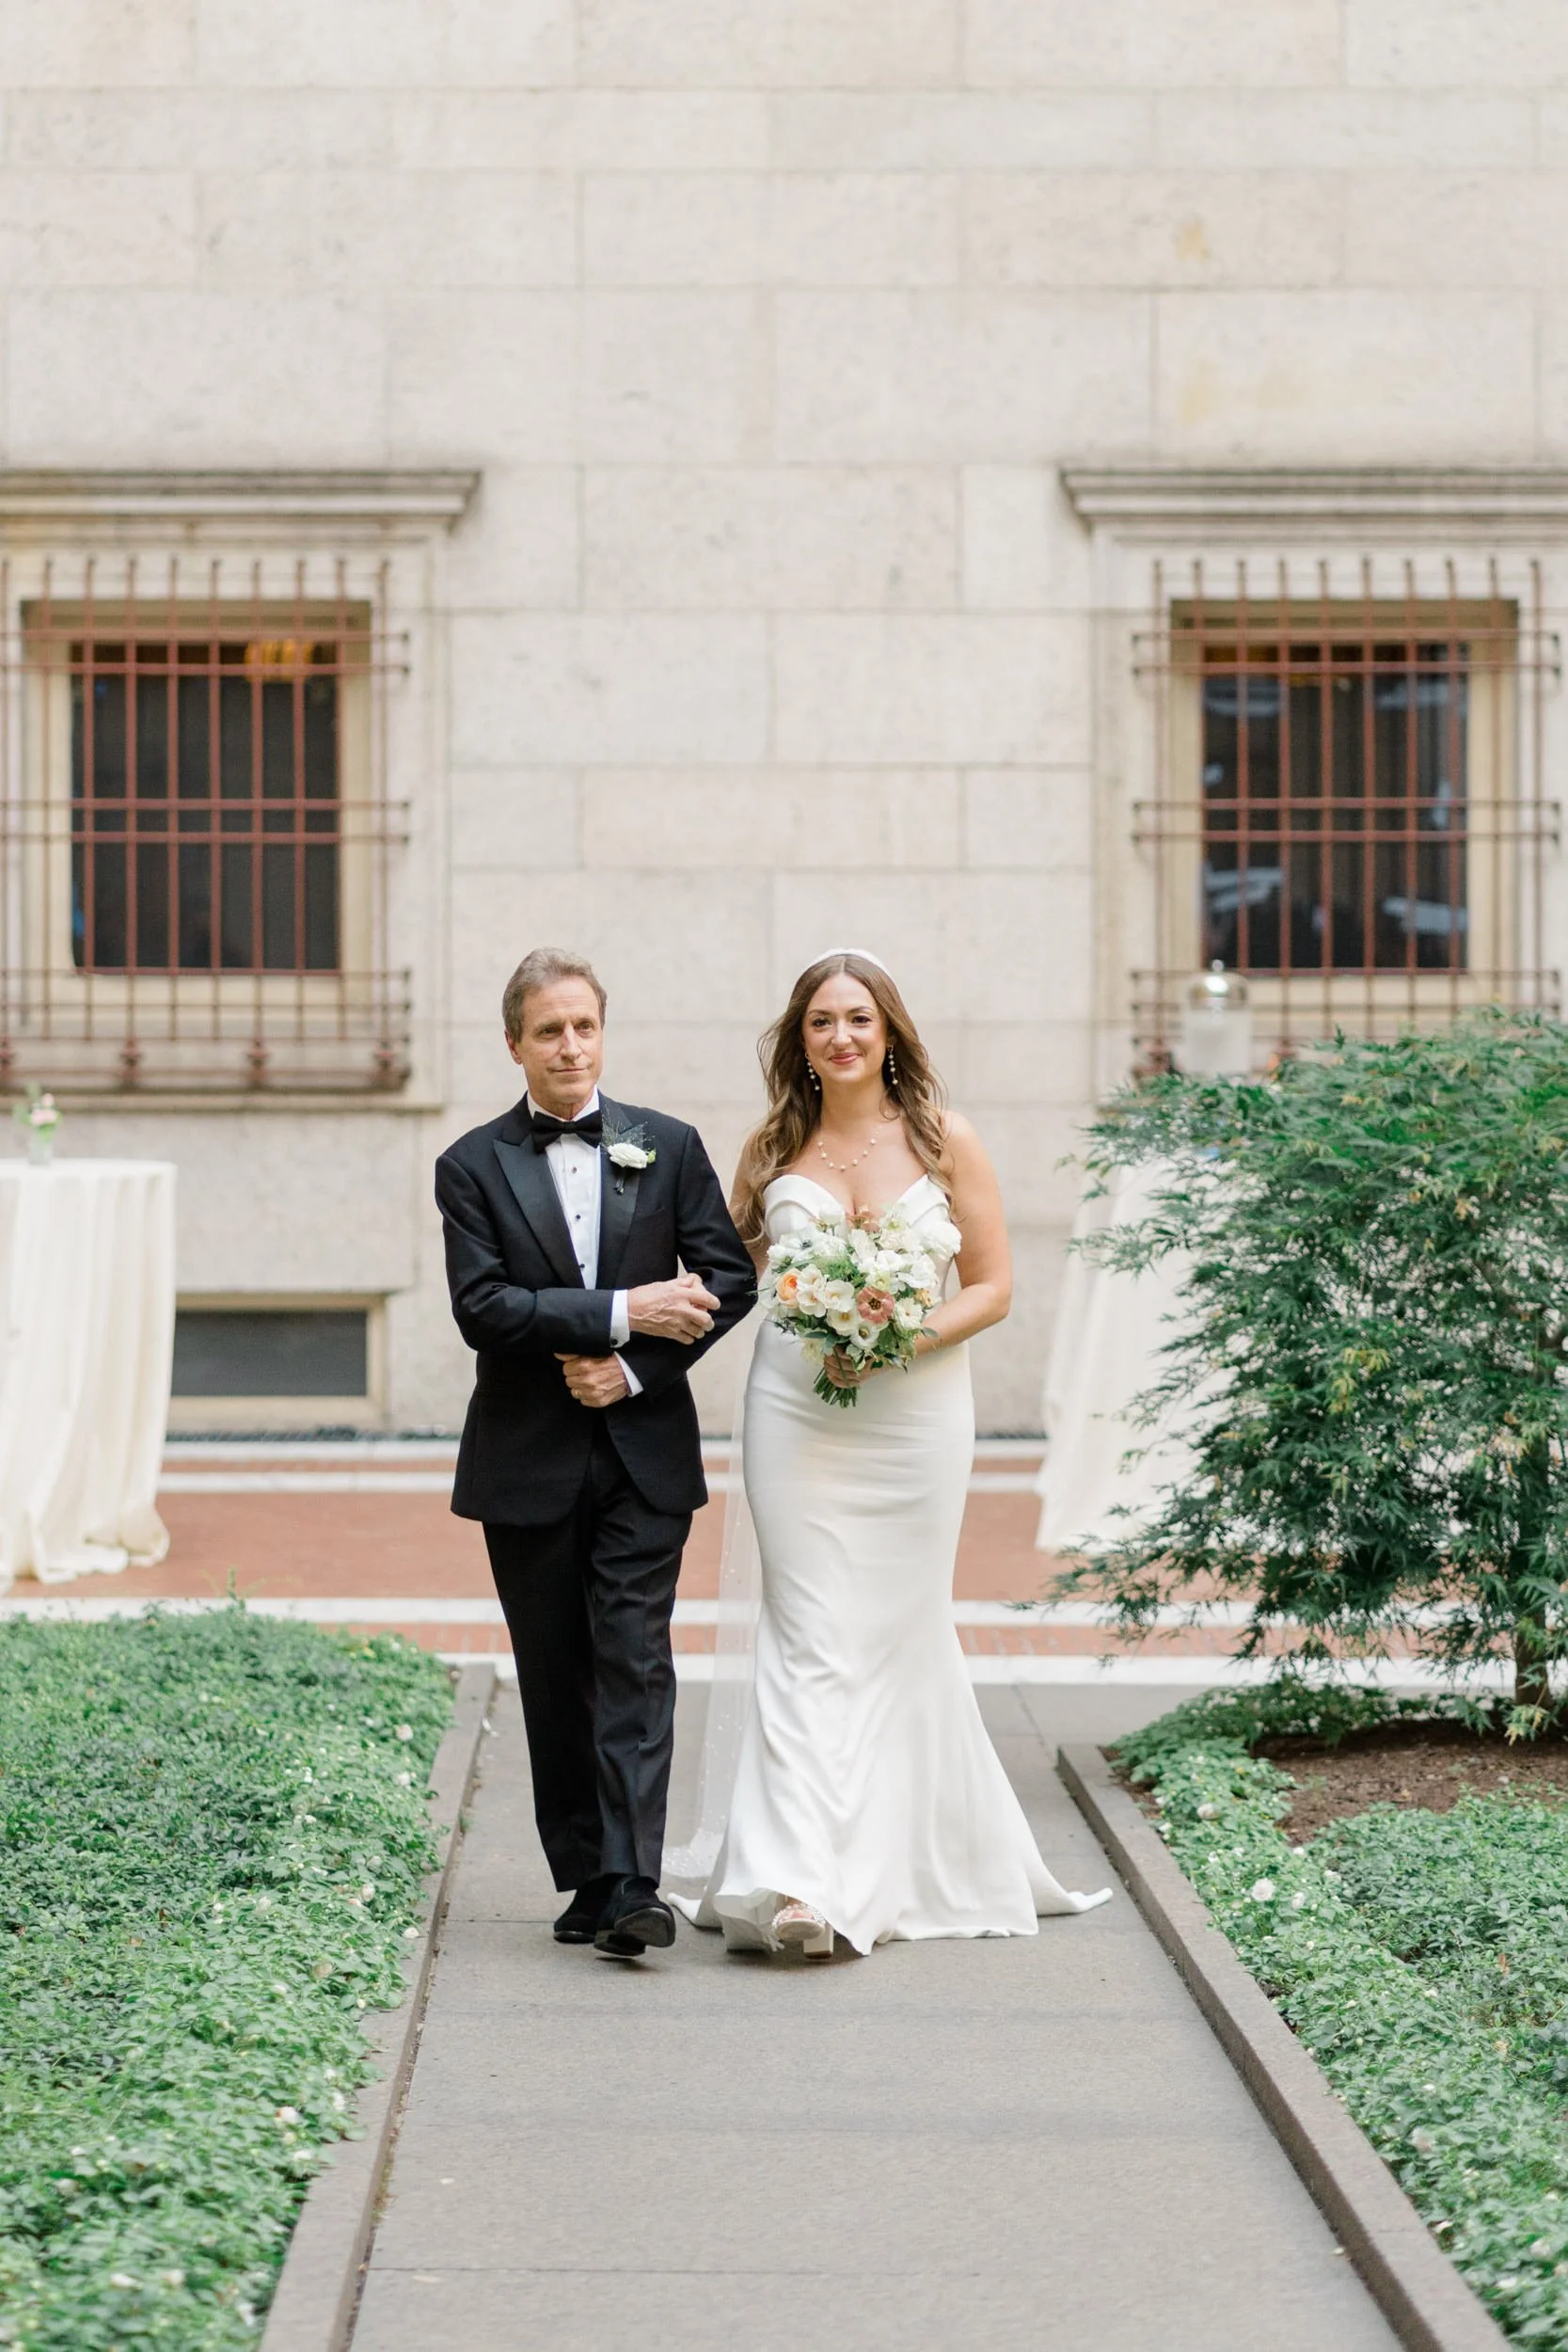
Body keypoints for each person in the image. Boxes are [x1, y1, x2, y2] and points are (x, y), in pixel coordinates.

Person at [680, 949, 1110, 1957]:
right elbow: (723, 1276)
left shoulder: (944, 1138)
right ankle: (795, 1886)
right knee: (802, 1633)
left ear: (889, 1033)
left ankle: (895, 1860)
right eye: (821, 1021)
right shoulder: (769, 1147)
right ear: (799, 1041)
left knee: (891, 1633)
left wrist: (892, 1339)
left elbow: (992, 1286)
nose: (840, 1036)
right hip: (794, 1413)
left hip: (914, 1422)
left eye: (858, 1019)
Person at [435, 947, 755, 1959]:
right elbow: (482, 1308)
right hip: (525, 1457)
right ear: (514, 1045)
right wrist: (625, 1311)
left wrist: (634, 1370)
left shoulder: (668, 1144)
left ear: (602, 1032)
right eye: (547, 1031)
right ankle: (583, 1874)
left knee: (632, 1658)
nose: (568, 1046)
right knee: (554, 1669)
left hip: (642, 1450)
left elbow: (727, 1280)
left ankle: (630, 1881)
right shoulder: (471, 1164)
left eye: (583, 1026)